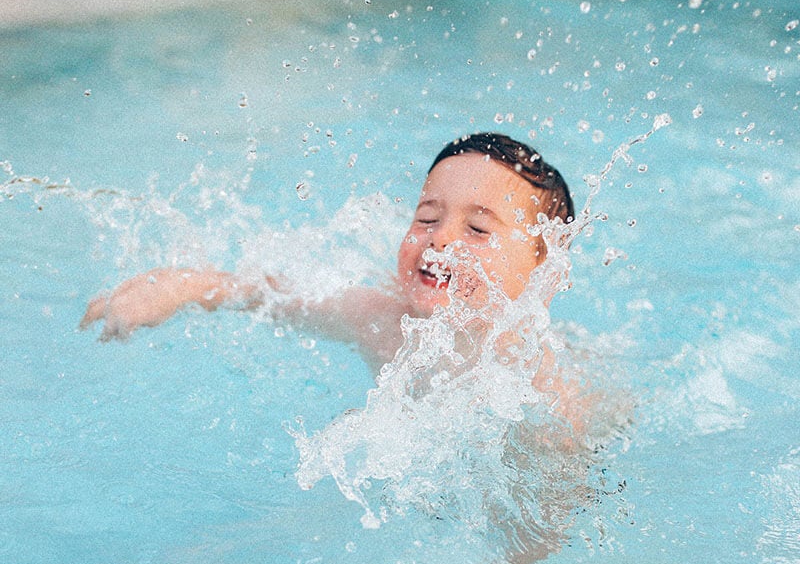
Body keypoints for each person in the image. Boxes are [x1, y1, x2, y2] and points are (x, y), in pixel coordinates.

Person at [81, 132, 574, 376]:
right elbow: (261, 294)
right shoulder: (378, 319)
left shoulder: (534, 371)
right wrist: (179, 286)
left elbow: (564, 471)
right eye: (427, 217)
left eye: (478, 228)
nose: (440, 240)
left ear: (544, 272)